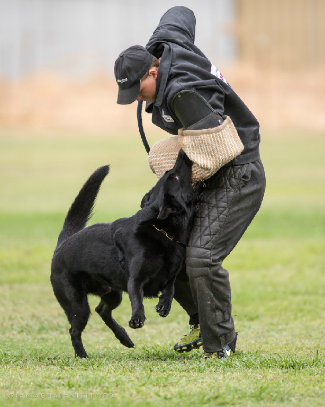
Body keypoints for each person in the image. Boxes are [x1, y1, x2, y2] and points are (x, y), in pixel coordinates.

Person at [114, 6, 266, 359]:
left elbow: (218, 149)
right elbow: (180, 13)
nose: (137, 97)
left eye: (139, 88)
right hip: (212, 163)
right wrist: (163, 38)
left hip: (238, 171)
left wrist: (169, 179)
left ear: (153, 70)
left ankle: (220, 344)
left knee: (201, 257)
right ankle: (203, 320)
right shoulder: (165, 45)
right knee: (169, 249)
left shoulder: (183, 92)